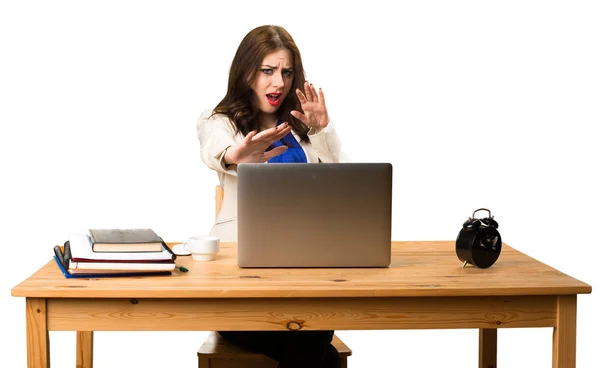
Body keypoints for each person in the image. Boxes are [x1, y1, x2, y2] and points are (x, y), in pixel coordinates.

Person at [196, 25, 344, 368]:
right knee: (321, 353)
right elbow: (215, 149)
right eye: (268, 71)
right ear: (247, 72)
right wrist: (237, 155)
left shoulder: (303, 127)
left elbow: (343, 186)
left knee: (316, 336)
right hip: (238, 289)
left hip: (304, 278)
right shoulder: (218, 122)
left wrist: (322, 132)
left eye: (286, 73)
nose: (279, 83)